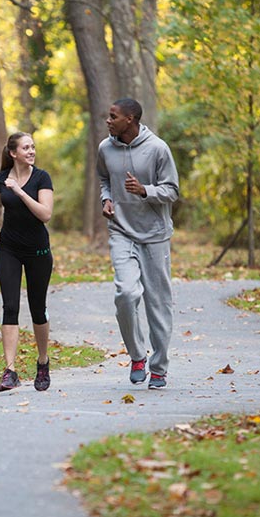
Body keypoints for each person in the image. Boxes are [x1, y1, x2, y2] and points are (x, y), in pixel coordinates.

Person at [97, 98, 179, 389]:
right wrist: (106, 199)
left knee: (158, 304)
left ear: (130, 119)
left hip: (155, 235)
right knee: (126, 294)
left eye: (113, 116)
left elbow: (172, 190)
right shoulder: (105, 148)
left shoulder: (157, 148)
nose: (108, 121)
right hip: (121, 230)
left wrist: (145, 191)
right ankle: (137, 356)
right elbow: (104, 179)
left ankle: (159, 367)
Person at [0, 132, 55, 392]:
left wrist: (20, 192)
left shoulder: (41, 177)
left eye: (33, 147)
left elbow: (45, 214)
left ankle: (42, 362)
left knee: (38, 309)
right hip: (8, 249)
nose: (31, 151)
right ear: (13, 153)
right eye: (26, 147)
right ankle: (10, 370)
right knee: (10, 306)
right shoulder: (1, 179)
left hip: (38, 251)